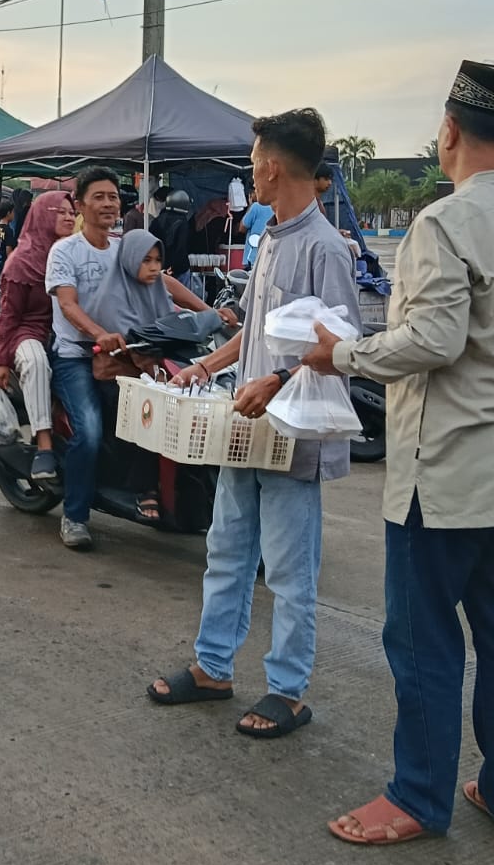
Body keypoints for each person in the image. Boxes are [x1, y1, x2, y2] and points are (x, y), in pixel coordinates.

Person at [300, 61, 494, 846]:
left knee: (423, 641)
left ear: (450, 131)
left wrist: (341, 355)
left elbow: (432, 340)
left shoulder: (445, 223)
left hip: (451, 474)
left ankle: (419, 797)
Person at [145, 108, 359, 739]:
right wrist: (203, 365)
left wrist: (279, 380)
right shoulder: (270, 241)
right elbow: (254, 333)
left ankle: (288, 690)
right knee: (227, 551)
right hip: (247, 427)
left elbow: (342, 346)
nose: (250, 172)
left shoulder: (325, 248)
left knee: (290, 571)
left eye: (252, 162)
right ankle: (212, 666)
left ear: (270, 168)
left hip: (295, 435)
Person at [46, 166, 226, 550]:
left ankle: (159, 491)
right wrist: (99, 333)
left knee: (163, 411)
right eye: (98, 196)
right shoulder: (65, 251)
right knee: (90, 431)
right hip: (78, 356)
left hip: (132, 353)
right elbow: (68, 304)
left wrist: (210, 312)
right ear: (80, 204)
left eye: (113, 196)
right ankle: (75, 516)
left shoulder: (123, 246)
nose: (108, 203)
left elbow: (163, 280)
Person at [90, 230, 180, 525]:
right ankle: (145, 489)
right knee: (149, 417)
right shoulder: (112, 296)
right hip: (117, 374)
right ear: (130, 260)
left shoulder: (155, 291)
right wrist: (164, 379)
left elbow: (172, 325)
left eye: (158, 260)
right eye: (146, 260)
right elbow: (135, 346)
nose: (154, 268)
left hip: (151, 371)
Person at [0, 191, 76, 482]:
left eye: (71, 212)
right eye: (60, 212)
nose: (69, 217)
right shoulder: (21, 262)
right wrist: (0, 362)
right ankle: (44, 446)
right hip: (30, 331)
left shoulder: (76, 253)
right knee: (36, 362)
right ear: (42, 216)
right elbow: (8, 316)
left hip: (69, 333)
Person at [148, 189, 193, 279]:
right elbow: (181, 248)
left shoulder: (157, 220)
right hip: (178, 270)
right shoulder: (182, 222)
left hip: (159, 267)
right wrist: (174, 268)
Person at [239, 193, 275, 270]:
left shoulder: (256, 207)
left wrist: (250, 206)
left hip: (253, 258)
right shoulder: (278, 207)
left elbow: (242, 228)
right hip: (271, 258)